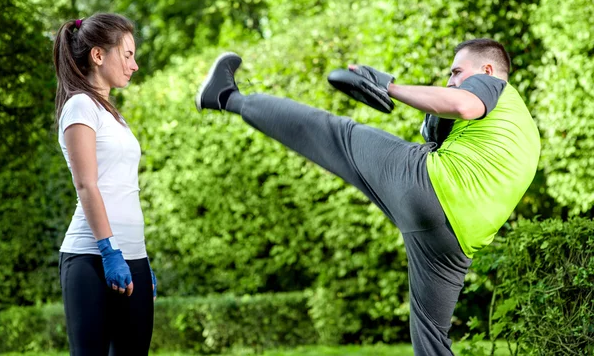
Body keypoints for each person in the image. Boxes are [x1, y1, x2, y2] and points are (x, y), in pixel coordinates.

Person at [195, 39, 540, 355]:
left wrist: (388, 86)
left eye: (456, 72)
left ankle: (225, 96)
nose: (450, 80)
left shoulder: (493, 85)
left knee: (336, 135)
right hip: (457, 241)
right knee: (432, 337)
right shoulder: (521, 127)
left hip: (431, 186)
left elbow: (462, 104)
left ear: (488, 70)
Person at [53, 13, 157, 355]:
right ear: (98, 55)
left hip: (132, 255)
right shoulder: (81, 106)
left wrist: (139, 257)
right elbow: (87, 185)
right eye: (127, 55)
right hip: (91, 257)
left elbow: (123, 189)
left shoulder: (112, 113)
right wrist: (110, 251)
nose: (135, 65)